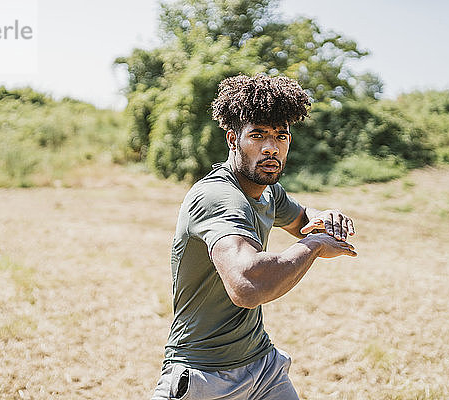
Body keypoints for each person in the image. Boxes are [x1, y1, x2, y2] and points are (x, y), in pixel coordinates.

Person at [151, 74, 357, 400]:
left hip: (262, 364)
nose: (271, 147)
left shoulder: (268, 192)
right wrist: (315, 245)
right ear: (233, 139)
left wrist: (323, 218)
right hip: (205, 375)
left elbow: (303, 220)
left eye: (281, 136)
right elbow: (246, 285)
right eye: (258, 135)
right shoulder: (218, 196)